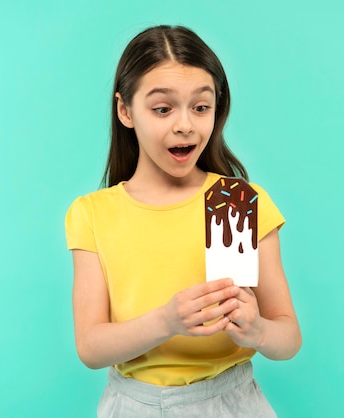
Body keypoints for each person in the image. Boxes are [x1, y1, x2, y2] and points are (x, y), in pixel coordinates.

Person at [65, 25, 301, 417]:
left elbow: (288, 337)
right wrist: (166, 320)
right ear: (125, 110)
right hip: (133, 405)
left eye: (200, 106)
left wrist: (257, 328)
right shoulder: (93, 213)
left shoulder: (234, 201)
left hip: (232, 402)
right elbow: (90, 348)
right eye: (162, 108)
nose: (185, 125)